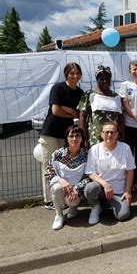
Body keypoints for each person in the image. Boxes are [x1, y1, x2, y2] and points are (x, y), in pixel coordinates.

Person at [39, 62, 84, 210]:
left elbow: (79, 113)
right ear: (66, 74)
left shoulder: (80, 92)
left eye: (77, 73)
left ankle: (64, 196)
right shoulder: (58, 88)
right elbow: (56, 110)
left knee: (63, 166)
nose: (75, 76)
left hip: (66, 135)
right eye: (72, 73)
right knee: (49, 166)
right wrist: (70, 112)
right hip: (50, 132)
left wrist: (68, 110)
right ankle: (49, 200)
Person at [84, 121, 135, 225]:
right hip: (101, 188)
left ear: (117, 134)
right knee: (90, 188)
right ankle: (95, 207)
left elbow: (130, 171)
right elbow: (90, 173)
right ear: (101, 134)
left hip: (118, 191)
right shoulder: (94, 149)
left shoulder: (125, 148)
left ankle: (108, 205)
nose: (109, 135)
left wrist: (128, 191)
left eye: (112, 132)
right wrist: (105, 184)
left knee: (123, 215)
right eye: (106, 132)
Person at [45, 125, 89, 230]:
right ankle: (59, 215)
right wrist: (61, 180)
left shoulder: (87, 154)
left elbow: (90, 176)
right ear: (66, 138)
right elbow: (48, 172)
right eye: (71, 136)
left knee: (72, 201)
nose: (74, 139)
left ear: (82, 138)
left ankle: (73, 208)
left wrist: (76, 188)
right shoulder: (57, 154)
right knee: (56, 188)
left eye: (78, 135)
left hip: (77, 191)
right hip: (62, 187)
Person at [78, 65, 124, 146]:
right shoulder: (89, 95)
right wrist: (83, 137)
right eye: (101, 79)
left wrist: (122, 137)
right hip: (94, 137)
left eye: (107, 79)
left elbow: (120, 119)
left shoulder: (116, 97)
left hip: (112, 136)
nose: (105, 81)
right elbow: (82, 117)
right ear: (97, 80)